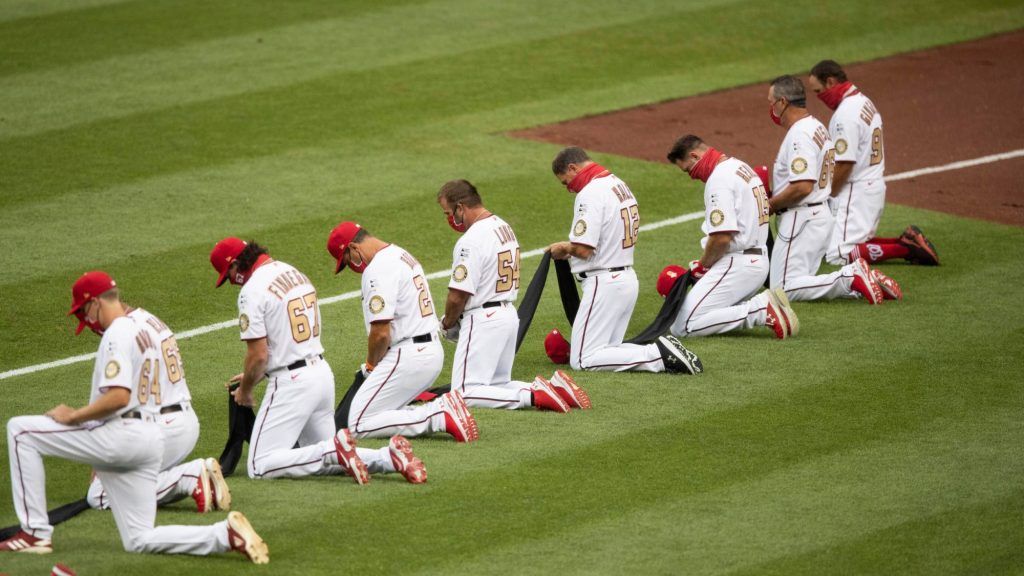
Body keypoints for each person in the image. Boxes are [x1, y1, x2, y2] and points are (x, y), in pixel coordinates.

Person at [2, 272, 267, 563]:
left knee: (21, 431)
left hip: (125, 434)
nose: (86, 321)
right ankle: (224, 535)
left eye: (83, 312)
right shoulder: (145, 329)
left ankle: (34, 533)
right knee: (139, 538)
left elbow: (118, 397)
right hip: (150, 438)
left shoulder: (117, 332)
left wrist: (74, 416)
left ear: (95, 303)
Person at [210, 237, 426, 485]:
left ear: (237, 263)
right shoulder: (294, 273)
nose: (231, 281)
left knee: (260, 465)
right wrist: (254, 373)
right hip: (320, 374)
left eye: (229, 274)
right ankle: (386, 458)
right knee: (322, 456)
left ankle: (334, 451)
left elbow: (258, 354)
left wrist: (246, 391)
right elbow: (284, 341)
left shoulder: (252, 290)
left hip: (292, 383)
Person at [436, 179, 590, 412]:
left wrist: (447, 323)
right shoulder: (503, 227)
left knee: (464, 393)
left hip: (484, 318)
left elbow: (458, 295)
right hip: (507, 315)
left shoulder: (470, 240)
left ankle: (534, 396)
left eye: (449, 212)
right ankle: (555, 389)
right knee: (499, 384)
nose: (451, 219)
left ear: (461, 207)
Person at [546, 146, 702, 374]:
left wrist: (563, 248)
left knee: (583, 359)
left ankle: (659, 355)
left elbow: (583, 248)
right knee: (609, 349)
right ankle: (663, 353)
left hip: (604, 282)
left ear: (573, 167)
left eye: (566, 181)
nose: (569, 189)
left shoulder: (590, 192)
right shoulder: (618, 184)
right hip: (625, 278)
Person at [326, 222, 480, 442]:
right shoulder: (399, 254)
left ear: (353, 248)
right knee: (378, 413)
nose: (351, 266)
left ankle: (439, 415)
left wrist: (370, 366)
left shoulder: (377, 268)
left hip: (409, 356)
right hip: (427, 350)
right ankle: (441, 409)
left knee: (358, 423)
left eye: (347, 260)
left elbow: (381, 333)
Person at [766, 75, 902, 304]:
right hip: (817, 216)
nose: (770, 108)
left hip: (802, 218)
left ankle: (851, 275)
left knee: (783, 289)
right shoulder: (816, 126)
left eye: (771, 102)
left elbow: (802, 186)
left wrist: (771, 205)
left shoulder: (800, 135)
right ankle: (862, 284)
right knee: (802, 281)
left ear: (782, 102)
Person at [86, 306, 230, 514]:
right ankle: (197, 480)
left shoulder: (121, 334)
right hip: (184, 421)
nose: (91, 327)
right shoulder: (148, 319)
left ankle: (189, 477)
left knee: (99, 493)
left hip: (162, 428)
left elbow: (116, 400)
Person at [665, 135, 799, 339]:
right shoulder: (740, 167)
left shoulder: (719, 179)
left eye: (688, 169)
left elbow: (721, 237)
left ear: (694, 156)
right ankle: (762, 307)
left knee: (681, 326)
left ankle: (759, 310)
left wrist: (703, 265)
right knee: (707, 314)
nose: (691, 176)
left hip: (738, 265)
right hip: (757, 261)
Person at [807, 59, 939, 266]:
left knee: (838, 254)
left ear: (830, 82)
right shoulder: (863, 102)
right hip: (871, 186)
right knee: (847, 243)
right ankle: (906, 240)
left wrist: (828, 194)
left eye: (818, 91)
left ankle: (904, 248)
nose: (819, 97)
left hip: (857, 191)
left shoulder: (845, 115)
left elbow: (845, 163)